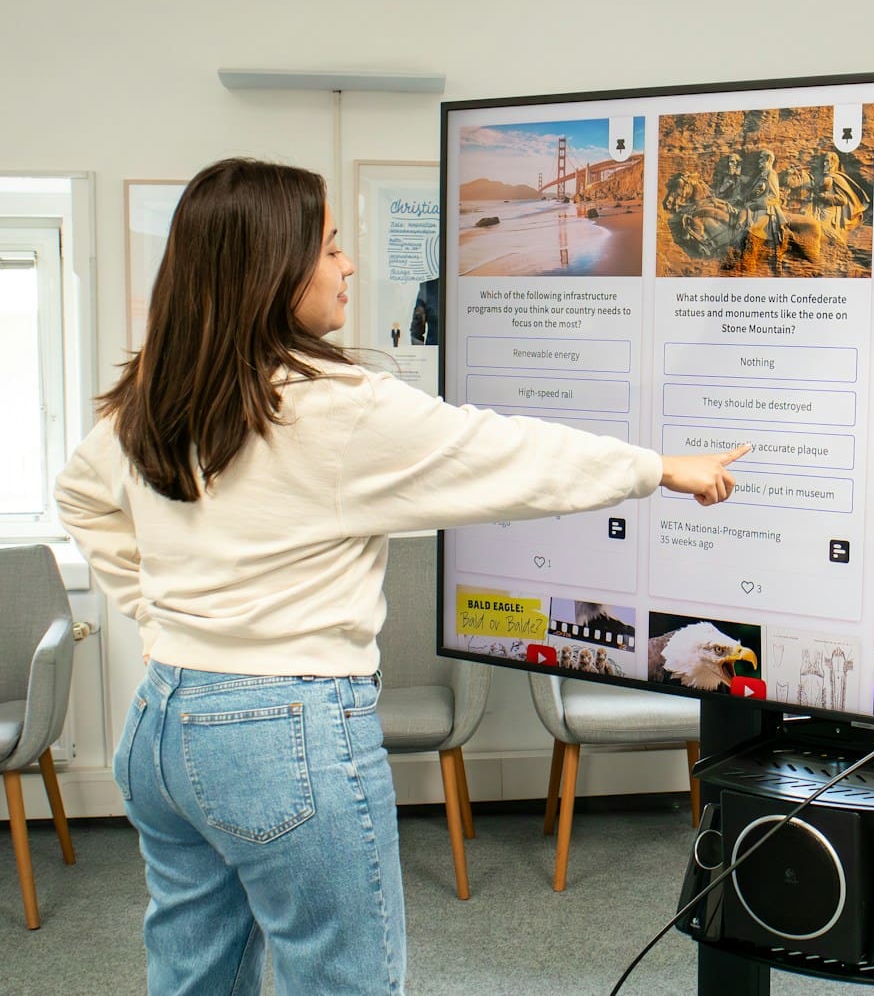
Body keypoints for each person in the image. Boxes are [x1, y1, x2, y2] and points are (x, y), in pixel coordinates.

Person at [54, 157, 748, 995]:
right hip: (285, 733)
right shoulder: (335, 407)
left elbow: (82, 497)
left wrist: (157, 615)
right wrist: (657, 468)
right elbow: (511, 453)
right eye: (330, 247)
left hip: (163, 722)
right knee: (343, 981)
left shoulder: (155, 397)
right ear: (273, 267)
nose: (347, 266)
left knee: (194, 973)